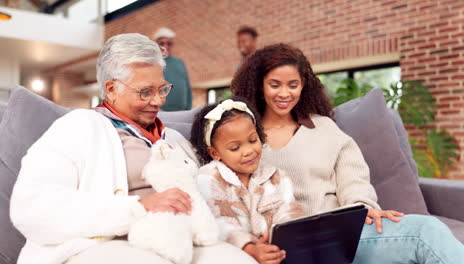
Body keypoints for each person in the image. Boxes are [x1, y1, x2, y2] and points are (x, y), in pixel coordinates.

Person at [9, 33, 257, 264]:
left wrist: (244, 243)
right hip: (97, 244)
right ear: (111, 88)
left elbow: (206, 205)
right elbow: (32, 208)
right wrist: (139, 207)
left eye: (162, 89)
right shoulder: (76, 128)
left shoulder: (174, 139)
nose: (158, 100)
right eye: (145, 92)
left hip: (184, 238)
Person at [231, 43, 464, 263]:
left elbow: (353, 178)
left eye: (293, 85)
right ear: (259, 84)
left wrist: (363, 206)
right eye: (275, 85)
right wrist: (249, 245)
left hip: (343, 234)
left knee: (425, 230)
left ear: (304, 85)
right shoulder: (240, 137)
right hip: (285, 244)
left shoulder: (323, 127)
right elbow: (225, 197)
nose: (284, 94)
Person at [190, 98, 305, 264]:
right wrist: (250, 248)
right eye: (235, 148)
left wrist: (282, 241)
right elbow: (221, 222)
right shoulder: (208, 179)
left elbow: (289, 211)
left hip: (277, 252)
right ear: (215, 153)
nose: (248, 151)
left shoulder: (277, 176)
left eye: (252, 140)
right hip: (236, 255)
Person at [153, 27, 192, 111]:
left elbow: (188, 87)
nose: (165, 46)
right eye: (162, 43)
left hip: (182, 110)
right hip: (161, 111)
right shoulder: (153, 63)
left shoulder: (180, 62)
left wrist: (188, 108)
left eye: (169, 43)